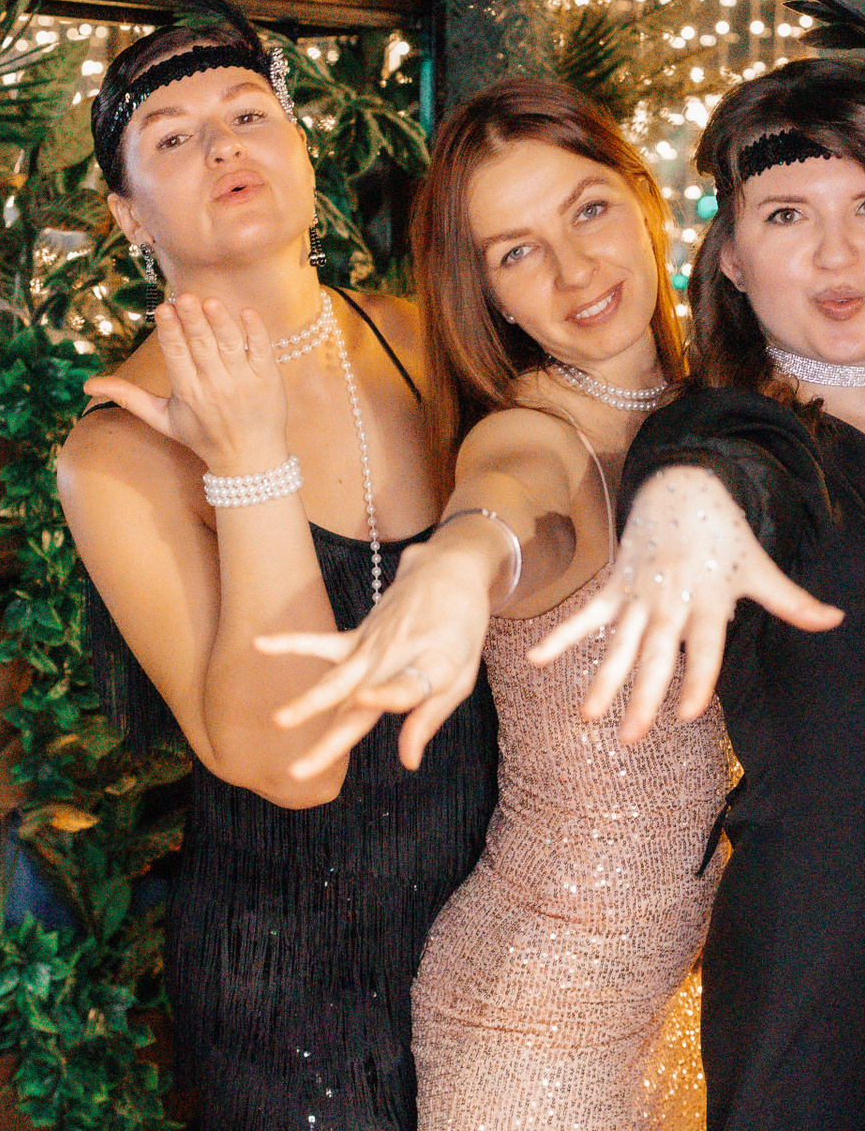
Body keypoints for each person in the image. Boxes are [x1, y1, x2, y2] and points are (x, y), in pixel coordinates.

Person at [528, 0, 865, 1131]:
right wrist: (684, 497)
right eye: (788, 214)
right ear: (731, 256)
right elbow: (715, 464)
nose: (837, 253)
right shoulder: (733, 428)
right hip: (830, 978)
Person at [56, 0, 497, 1131]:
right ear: (129, 216)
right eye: (173, 136)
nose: (223, 144)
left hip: (502, 953)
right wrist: (249, 459)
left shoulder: (423, 339)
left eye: (249, 113)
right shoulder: (118, 451)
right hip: (293, 1005)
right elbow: (296, 761)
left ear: (301, 152)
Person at [258, 79, 729, 1129]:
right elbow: (510, 501)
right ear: (490, 296)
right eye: (517, 252)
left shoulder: (718, 408)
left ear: (644, 200)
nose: (573, 269)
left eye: (589, 210)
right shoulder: (532, 430)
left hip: (697, 1004)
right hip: (538, 1027)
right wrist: (458, 562)